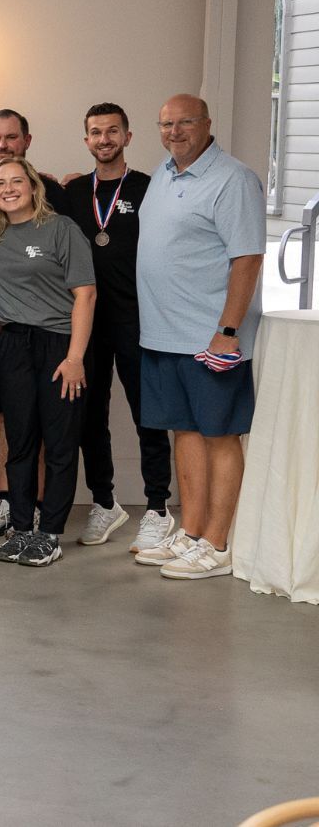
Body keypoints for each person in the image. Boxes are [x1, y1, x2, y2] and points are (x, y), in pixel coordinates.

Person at [132, 94, 264, 581]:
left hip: (210, 339)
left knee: (220, 436)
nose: (174, 131)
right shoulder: (163, 174)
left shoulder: (233, 179)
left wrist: (227, 331)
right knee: (184, 433)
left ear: (207, 124)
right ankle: (190, 532)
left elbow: (247, 258)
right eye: (166, 123)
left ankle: (218, 542)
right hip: (163, 335)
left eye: (185, 122)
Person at [60, 102, 172, 550]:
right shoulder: (72, 193)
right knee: (89, 415)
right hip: (86, 322)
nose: (103, 139)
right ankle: (105, 502)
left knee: (149, 414)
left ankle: (159, 508)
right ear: (86, 140)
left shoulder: (152, 188)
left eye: (112, 131)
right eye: (95, 132)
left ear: (127, 137)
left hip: (138, 318)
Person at [0, 157, 96, 567]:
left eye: (16, 181)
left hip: (59, 345)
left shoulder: (61, 229)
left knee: (60, 442)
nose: (8, 189)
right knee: (20, 440)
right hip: (12, 345)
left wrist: (75, 357)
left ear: (33, 186)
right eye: (0, 184)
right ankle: (21, 529)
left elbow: (86, 294)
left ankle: (50, 532)